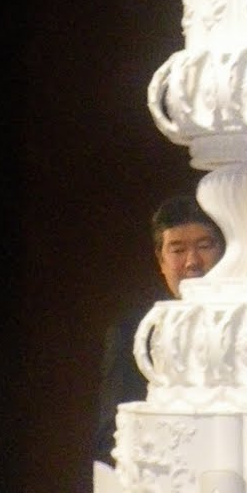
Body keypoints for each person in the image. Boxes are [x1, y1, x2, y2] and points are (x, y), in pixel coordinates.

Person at [94, 194, 224, 460]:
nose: (192, 262)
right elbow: (113, 432)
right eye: (177, 250)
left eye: (204, 246)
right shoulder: (134, 333)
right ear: (161, 260)